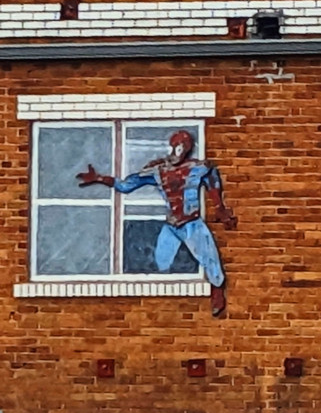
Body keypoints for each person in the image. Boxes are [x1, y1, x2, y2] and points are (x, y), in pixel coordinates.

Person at [76, 129, 236, 317]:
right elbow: (127, 185)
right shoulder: (159, 171)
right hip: (171, 224)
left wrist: (220, 209)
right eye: (177, 146)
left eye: (183, 147)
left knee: (209, 257)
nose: (179, 151)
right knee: (161, 261)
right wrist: (100, 179)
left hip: (192, 223)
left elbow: (212, 181)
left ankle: (217, 292)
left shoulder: (197, 167)